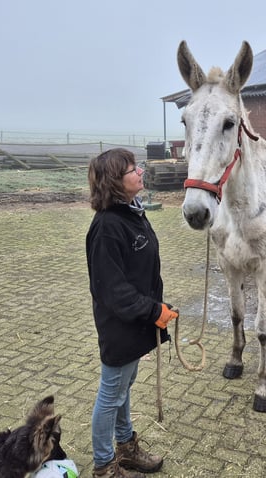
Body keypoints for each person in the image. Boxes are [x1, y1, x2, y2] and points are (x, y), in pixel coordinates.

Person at [85, 148, 178, 478]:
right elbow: (113, 291)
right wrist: (155, 311)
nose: (140, 172)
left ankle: (126, 447)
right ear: (115, 181)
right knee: (111, 393)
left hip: (137, 323)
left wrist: (159, 309)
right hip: (120, 326)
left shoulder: (132, 213)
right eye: (132, 169)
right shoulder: (107, 227)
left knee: (124, 387)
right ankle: (104, 464)